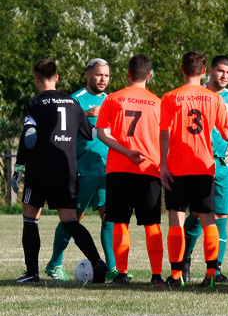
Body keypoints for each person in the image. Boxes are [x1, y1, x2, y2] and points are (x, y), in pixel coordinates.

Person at [16, 59, 108, 284]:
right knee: (70, 220)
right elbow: (89, 134)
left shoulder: (34, 103)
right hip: (67, 169)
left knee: (30, 218)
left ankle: (32, 273)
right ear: (57, 77)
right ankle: (98, 262)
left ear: (37, 79)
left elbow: (29, 137)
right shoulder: (72, 103)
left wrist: (19, 166)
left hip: (39, 169)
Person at [159, 50, 228, 288]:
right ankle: (211, 275)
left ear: (182, 69)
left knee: (177, 220)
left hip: (177, 165)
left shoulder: (170, 97)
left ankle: (176, 276)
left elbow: (164, 132)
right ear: (204, 71)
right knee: (208, 220)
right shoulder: (214, 98)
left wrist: (163, 164)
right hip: (204, 165)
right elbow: (225, 133)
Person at [181, 55, 228, 284]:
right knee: (197, 214)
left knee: (221, 216)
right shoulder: (195, 93)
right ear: (208, 71)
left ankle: (215, 270)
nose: (224, 76)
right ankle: (185, 259)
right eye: (220, 71)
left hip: (221, 165)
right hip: (197, 164)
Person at [96, 54, 165, 285]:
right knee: (152, 224)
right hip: (149, 169)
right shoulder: (158, 103)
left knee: (119, 222)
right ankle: (156, 276)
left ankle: (122, 274)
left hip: (119, 169)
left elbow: (102, 133)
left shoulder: (113, 99)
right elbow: (167, 138)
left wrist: (126, 152)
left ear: (128, 74)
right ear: (149, 75)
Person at [46, 58, 115, 281]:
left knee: (109, 217)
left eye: (106, 75)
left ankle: (112, 267)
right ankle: (55, 263)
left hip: (106, 169)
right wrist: (85, 115)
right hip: (82, 169)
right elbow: (58, 128)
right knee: (74, 218)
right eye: (98, 74)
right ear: (88, 75)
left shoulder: (111, 101)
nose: (103, 79)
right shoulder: (74, 100)